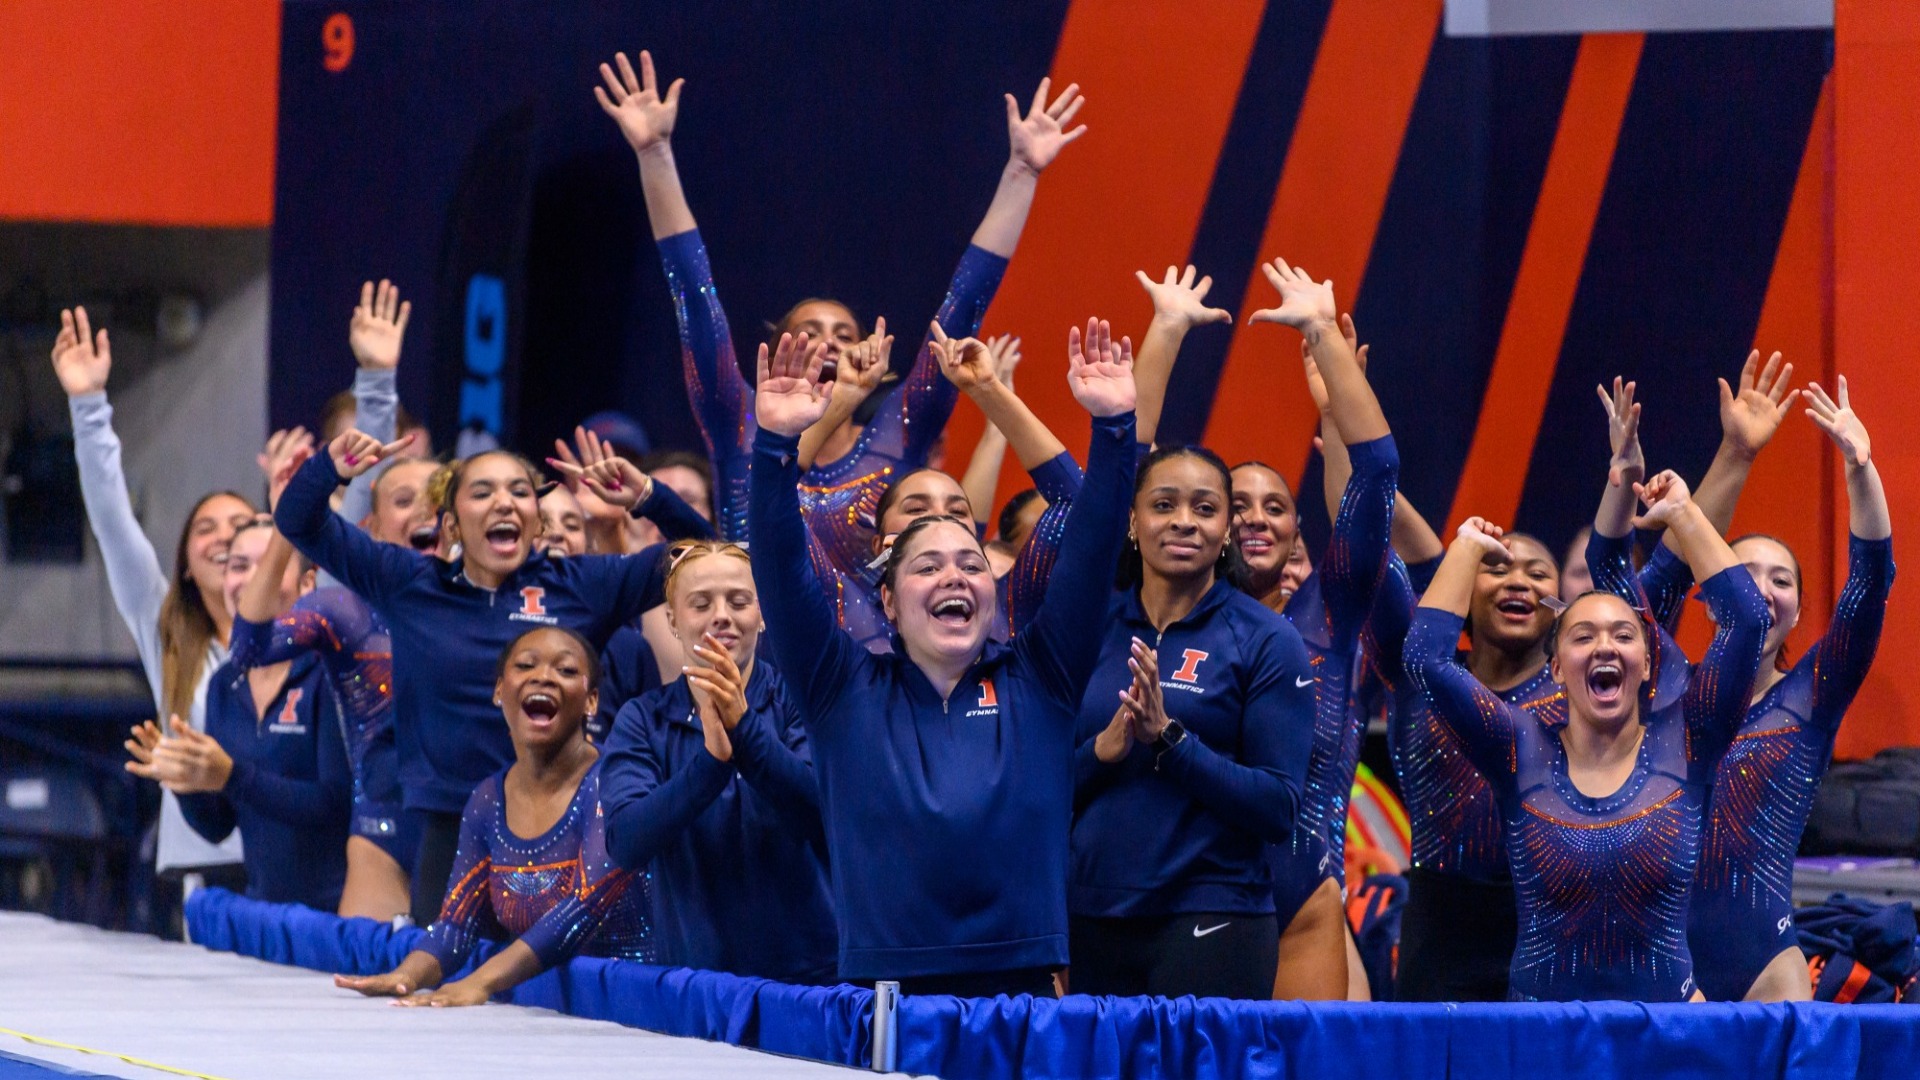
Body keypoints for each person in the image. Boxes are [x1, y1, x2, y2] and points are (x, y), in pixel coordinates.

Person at [596, 47, 1084, 580]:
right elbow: (693, 293)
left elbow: (964, 304)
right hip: (749, 657)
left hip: (871, 660)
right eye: (809, 332)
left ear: (869, 353)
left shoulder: (903, 429)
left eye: (843, 333)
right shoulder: (738, 420)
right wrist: (655, 155)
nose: (827, 342)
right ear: (775, 349)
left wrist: (1021, 171)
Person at [749, 323, 1135, 996]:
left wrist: (1114, 429)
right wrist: (777, 446)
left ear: (993, 591)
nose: (953, 577)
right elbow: (780, 567)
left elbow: (1096, 540)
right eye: (926, 566)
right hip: (885, 994)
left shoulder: (1042, 677)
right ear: (890, 604)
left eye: (970, 563)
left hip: (1023, 985)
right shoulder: (839, 687)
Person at [275, 427, 714, 924]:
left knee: (554, 993)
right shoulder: (408, 582)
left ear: (536, 521)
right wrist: (328, 468)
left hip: (561, 833)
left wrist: (649, 498)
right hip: (447, 831)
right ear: (452, 525)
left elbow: (705, 561)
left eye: (520, 492)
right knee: (443, 990)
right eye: (482, 492)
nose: (504, 503)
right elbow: (297, 521)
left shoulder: (583, 585)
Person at [1407, 462, 1770, 1001]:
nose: (1604, 646)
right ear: (1555, 669)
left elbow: (1748, 621)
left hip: (1664, 1038)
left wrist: (1686, 516)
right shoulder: (1519, 747)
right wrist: (1466, 546)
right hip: (1543, 1044)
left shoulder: (1688, 739)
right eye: (1583, 636)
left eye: (1623, 634)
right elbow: (1424, 659)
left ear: (1648, 664)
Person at [1689, 376, 1893, 1002]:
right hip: (1666, 964)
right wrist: (1729, 458)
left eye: (1782, 580)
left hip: (1766, 968)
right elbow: (1638, 584)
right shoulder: (1666, 688)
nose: (1762, 589)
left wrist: (1862, 473)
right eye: (1744, 571)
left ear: (1798, 612)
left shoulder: (1811, 697)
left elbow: (1868, 588)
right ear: (1710, 593)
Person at [335, 627, 651, 1006]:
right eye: (526, 665)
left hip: (634, 1007)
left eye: (566, 671)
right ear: (500, 690)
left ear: (591, 701)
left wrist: (482, 982)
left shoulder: (613, 783)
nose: (544, 676)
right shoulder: (488, 800)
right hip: (549, 1014)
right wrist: (408, 975)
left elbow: (582, 908)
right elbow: (455, 925)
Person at [54, 306, 256, 884]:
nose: (223, 539)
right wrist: (89, 405)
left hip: (294, 862)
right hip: (197, 866)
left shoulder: (301, 630)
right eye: (205, 529)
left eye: (239, 526)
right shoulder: (167, 628)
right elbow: (114, 523)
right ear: (186, 566)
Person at [599, 541, 838, 982]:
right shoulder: (643, 719)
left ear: (762, 614)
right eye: (701, 603)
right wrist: (710, 764)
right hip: (695, 983)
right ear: (672, 620)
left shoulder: (805, 704)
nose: (722, 615)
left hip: (810, 980)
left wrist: (744, 729)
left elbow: (826, 818)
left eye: (739, 601)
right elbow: (626, 842)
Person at [126, 522, 351, 913]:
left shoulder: (330, 671)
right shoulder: (224, 684)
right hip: (261, 912)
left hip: (339, 915)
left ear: (307, 583)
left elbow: (336, 805)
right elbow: (220, 825)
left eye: (267, 565)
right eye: (238, 565)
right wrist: (185, 782)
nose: (250, 579)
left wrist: (232, 775)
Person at [228, 494, 412, 920]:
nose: (253, 579)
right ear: (372, 529)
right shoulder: (339, 613)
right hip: (375, 842)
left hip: (459, 828)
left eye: (437, 502)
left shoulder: (485, 606)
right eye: (238, 565)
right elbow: (247, 650)